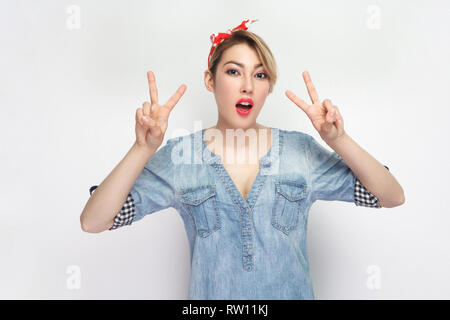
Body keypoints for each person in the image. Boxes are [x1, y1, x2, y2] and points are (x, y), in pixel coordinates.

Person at [80, 19, 405, 299]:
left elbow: (390, 195)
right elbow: (94, 221)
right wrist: (142, 149)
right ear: (211, 80)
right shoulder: (183, 157)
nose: (247, 86)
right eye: (234, 72)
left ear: (269, 87)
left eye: (260, 76)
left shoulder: (299, 151)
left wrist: (339, 140)